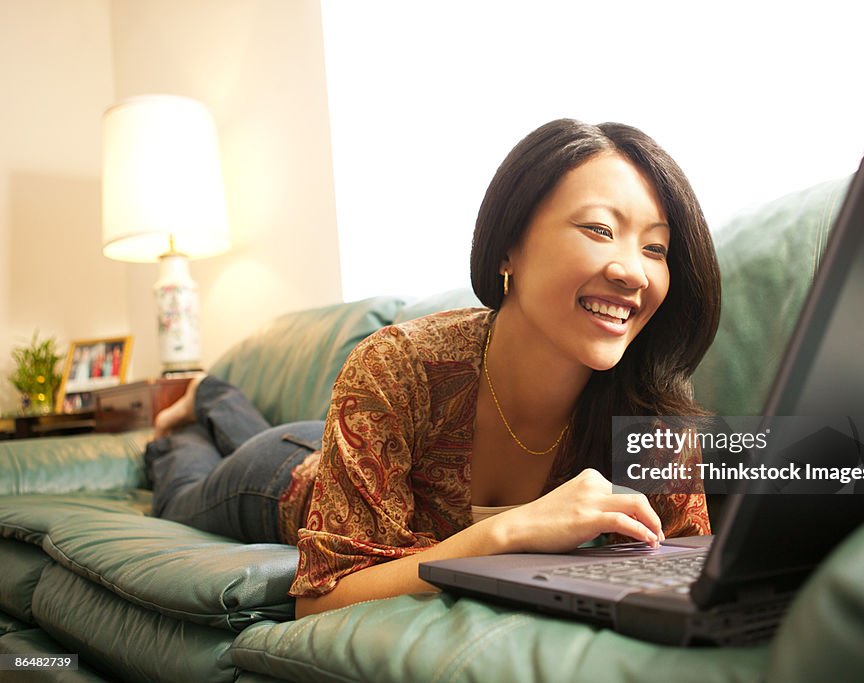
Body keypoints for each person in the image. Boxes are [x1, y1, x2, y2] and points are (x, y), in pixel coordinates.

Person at [144, 118, 722, 620]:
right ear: (507, 250)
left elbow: (689, 563)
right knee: (181, 483)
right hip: (279, 479)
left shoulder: (653, 410)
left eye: (656, 248)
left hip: (342, 449)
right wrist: (507, 532)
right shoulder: (397, 366)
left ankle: (212, 398)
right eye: (600, 229)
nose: (634, 273)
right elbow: (318, 599)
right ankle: (200, 405)